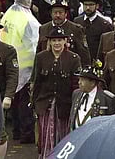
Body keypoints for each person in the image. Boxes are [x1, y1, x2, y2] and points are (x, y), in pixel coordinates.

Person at [0, 0, 41, 145]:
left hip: (8, 62)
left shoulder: (8, 14)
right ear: (28, 0)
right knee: (25, 102)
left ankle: (16, 131)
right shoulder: (28, 19)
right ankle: (26, 133)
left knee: (13, 99)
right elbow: (34, 43)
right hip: (25, 64)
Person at [31, 26, 81, 154]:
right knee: (45, 137)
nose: (57, 43)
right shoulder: (41, 57)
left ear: (65, 41)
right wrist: (34, 104)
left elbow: (76, 85)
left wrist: (75, 106)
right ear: (49, 42)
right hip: (44, 104)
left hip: (64, 105)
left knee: (63, 136)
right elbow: (36, 82)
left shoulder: (74, 58)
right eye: (54, 41)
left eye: (59, 40)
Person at [69, 63, 115, 131]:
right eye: (79, 79)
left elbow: (112, 126)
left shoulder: (107, 99)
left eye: (82, 80)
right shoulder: (76, 94)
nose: (79, 82)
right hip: (76, 137)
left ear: (92, 83)